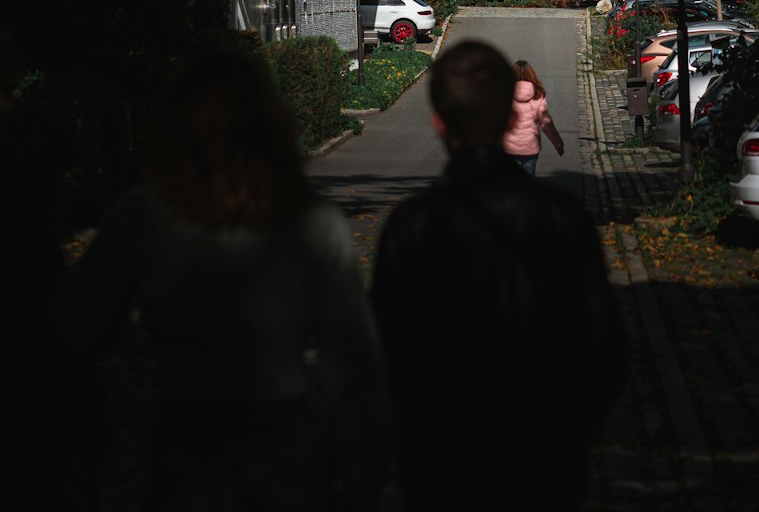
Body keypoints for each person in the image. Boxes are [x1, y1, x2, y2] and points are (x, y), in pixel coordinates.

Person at [55, 48, 387, 512]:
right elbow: (353, 362)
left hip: (187, 436)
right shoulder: (310, 222)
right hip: (284, 437)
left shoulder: (145, 215)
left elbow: (81, 326)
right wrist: (360, 472)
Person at [371, 39, 625, 512]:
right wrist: (567, 426)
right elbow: (603, 344)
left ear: (439, 124)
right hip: (542, 454)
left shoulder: (412, 225)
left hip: (441, 461)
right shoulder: (562, 217)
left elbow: (384, 352)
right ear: (508, 117)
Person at [503, 57, 564, 174]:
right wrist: (558, 144)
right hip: (530, 148)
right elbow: (547, 124)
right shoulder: (538, 96)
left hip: (508, 149)